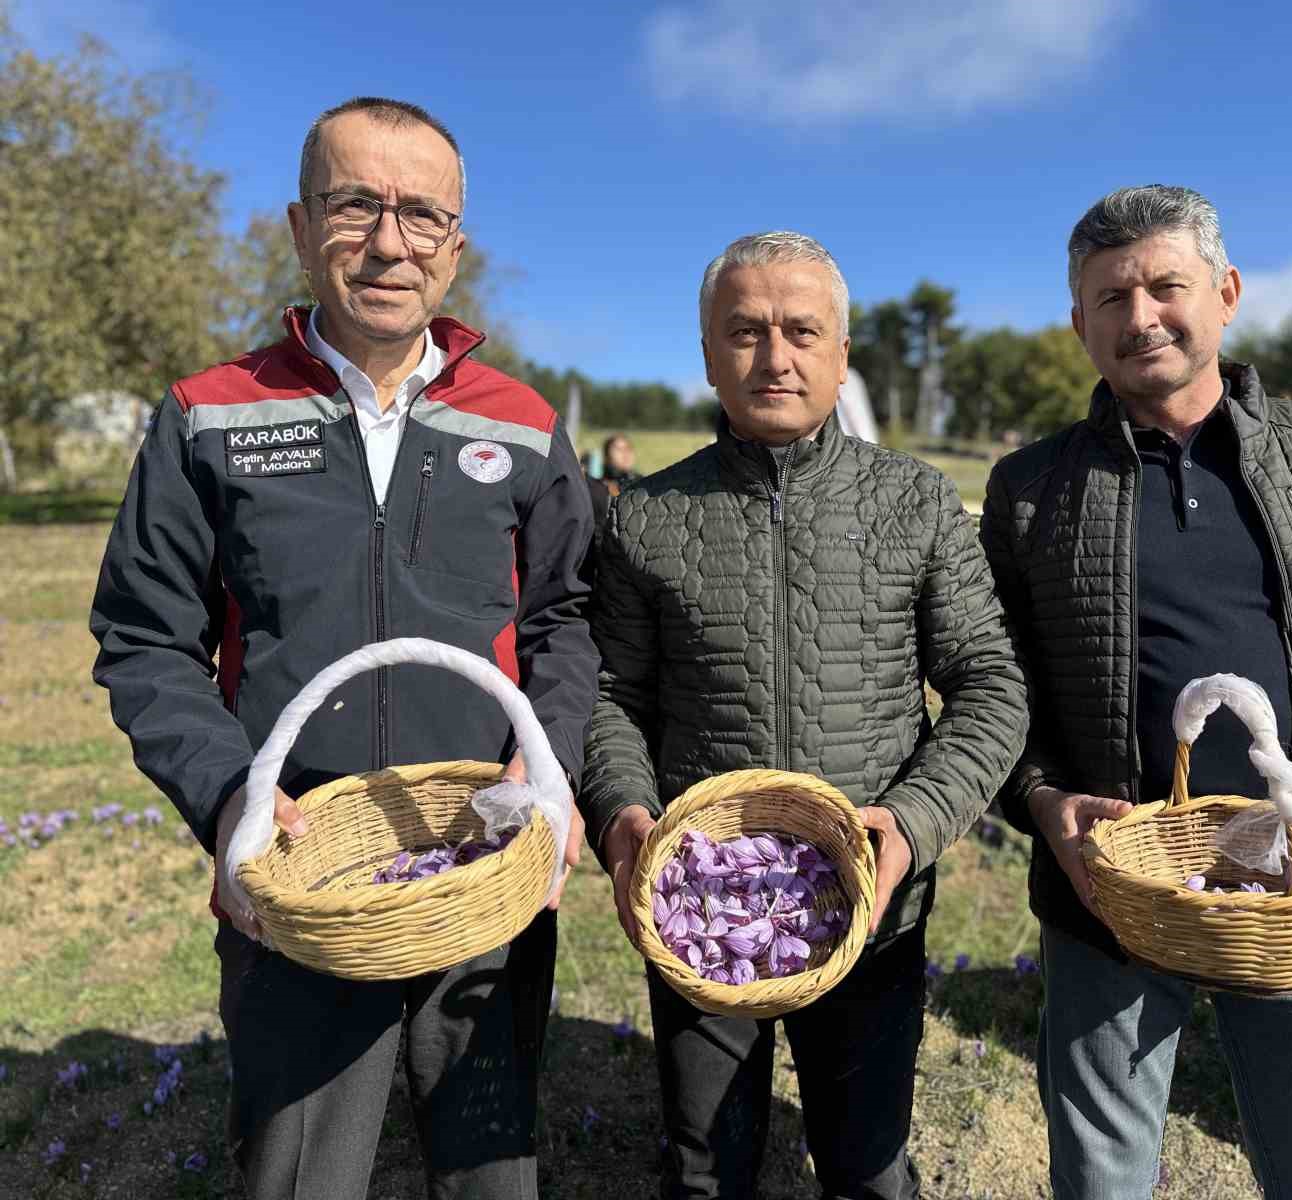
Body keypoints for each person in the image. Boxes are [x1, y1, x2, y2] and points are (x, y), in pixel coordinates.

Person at [89, 96, 599, 1197]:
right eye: (354, 203)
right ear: (296, 224)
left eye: (420, 213)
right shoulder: (207, 414)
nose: (387, 241)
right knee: (300, 1174)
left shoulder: (520, 425)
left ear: (455, 247)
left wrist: (546, 772)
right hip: (298, 865)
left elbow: (567, 620)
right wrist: (228, 795)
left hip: (481, 850)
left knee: (490, 1167)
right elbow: (142, 637)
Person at [980, 186, 1292, 1200]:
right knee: (1100, 1173)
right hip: (1113, 879)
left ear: (1227, 292)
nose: (1139, 315)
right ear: (1078, 323)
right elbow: (996, 678)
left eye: (1164, 285)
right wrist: (1041, 798)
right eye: (1110, 296)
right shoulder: (1029, 488)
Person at [581, 230, 1027, 1199]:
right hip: (700, 906)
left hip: (872, 905)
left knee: (866, 1170)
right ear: (706, 354)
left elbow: (990, 681)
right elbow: (612, 695)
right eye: (743, 332)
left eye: (800, 331)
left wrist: (909, 828)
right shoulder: (644, 516)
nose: (773, 357)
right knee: (706, 1174)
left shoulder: (913, 502)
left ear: (841, 354)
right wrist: (622, 814)